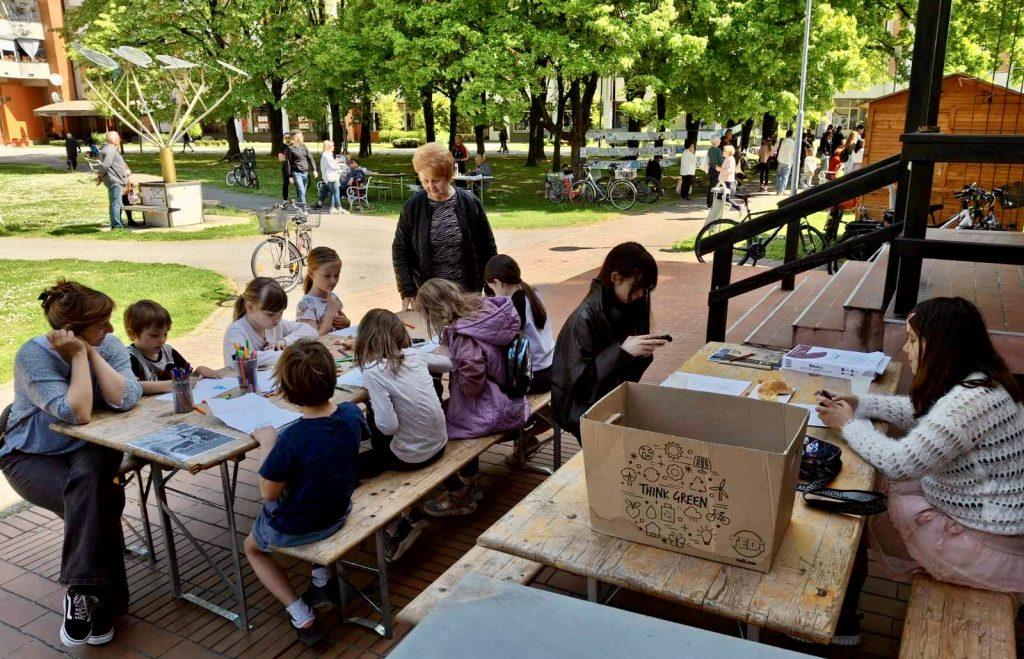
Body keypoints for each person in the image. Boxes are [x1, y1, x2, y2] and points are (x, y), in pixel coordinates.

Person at [815, 297, 1024, 646]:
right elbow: (923, 412)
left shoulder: (968, 404)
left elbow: (898, 462)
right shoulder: (981, 380)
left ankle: (838, 613)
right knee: (871, 501)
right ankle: (844, 612)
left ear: (939, 346)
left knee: (865, 508)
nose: (906, 349)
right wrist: (860, 403)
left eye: (913, 340)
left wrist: (848, 423)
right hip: (996, 528)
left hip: (985, 547)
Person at [1, 281, 142, 647]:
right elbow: (76, 412)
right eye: (101, 324)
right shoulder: (33, 356)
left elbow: (126, 397)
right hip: (31, 454)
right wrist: (78, 357)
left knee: (93, 494)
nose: (111, 329)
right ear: (72, 331)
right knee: (99, 501)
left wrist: (90, 352)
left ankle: (82, 594)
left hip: (91, 445)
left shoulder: (107, 345)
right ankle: (103, 606)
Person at [244, 340, 365, 646]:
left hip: (298, 526)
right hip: (338, 511)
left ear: (285, 390)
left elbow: (268, 493)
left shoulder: (292, 439)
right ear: (333, 376)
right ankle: (321, 579)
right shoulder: (352, 413)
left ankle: (301, 614)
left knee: (252, 549)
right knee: (316, 488)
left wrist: (267, 443)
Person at [415, 278, 528, 516]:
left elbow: (473, 376)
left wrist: (463, 387)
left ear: (434, 310)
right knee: (451, 415)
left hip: (493, 408)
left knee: (438, 433)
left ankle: (462, 493)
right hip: (510, 397)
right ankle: (470, 480)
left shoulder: (464, 333)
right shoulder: (482, 313)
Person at [353, 309, 452, 559]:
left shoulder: (373, 371)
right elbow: (449, 364)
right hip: (439, 444)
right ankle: (411, 514)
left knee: (348, 468)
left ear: (365, 340)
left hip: (410, 456)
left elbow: (388, 427)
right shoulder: (414, 355)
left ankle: (397, 525)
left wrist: (374, 404)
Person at [550, 243, 668, 439]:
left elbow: (625, 375)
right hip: (581, 408)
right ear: (615, 277)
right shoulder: (584, 318)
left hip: (608, 400)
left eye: (646, 289)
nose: (641, 294)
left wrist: (641, 353)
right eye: (638, 288)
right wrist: (622, 352)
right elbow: (579, 384)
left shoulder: (628, 306)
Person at [393, 142, 498, 309]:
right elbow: (400, 250)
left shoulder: (470, 203)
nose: (430, 187)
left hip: (467, 294)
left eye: (436, 180)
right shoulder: (413, 207)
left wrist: (492, 288)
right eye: (425, 180)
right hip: (430, 297)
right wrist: (407, 289)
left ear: (448, 176)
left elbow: (488, 247)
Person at [483, 254, 554, 394]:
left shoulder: (515, 306)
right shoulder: (533, 293)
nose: (493, 294)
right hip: (552, 368)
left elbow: (499, 339)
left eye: (492, 288)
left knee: (487, 378)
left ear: (498, 283)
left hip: (535, 377)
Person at [124, 300, 225, 395]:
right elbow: (133, 387)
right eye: (154, 335)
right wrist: (172, 385)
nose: (162, 340)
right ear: (132, 334)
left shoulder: (168, 351)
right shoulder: (129, 358)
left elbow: (186, 377)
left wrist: (198, 372)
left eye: (165, 334)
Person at [223, 277, 317, 369]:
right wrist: (289, 354)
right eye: (270, 314)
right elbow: (243, 358)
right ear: (250, 307)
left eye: (281, 313)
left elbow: (311, 331)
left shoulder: (276, 325)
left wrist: (285, 341)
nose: (277, 319)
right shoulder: (236, 332)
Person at [295, 247, 351, 336]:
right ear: (311, 273)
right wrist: (330, 311)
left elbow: (341, 325)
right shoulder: (305, 306)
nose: (333, 281)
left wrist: (346, 323)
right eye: (327, 276)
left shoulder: (333, 297)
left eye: (336, 276)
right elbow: (313, 339)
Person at [97, 131, 129, 230]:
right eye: (118, 138)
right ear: (113, 139)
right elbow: (105, 166)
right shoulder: (110, 150)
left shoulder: (108, 149)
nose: (119, 140)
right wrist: (100, 175)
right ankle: (117, 226)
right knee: (116, 203)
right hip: (115, 180)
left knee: (115, 203)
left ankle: (116, 224)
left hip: (114, 180)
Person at [284, 130, 317, 205]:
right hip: (296, 173)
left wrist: (314, 169)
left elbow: (310, 158)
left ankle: (299, 205)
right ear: (295, 137)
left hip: (305, 173)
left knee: (302, 192)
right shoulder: (290, 148)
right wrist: (290, 176)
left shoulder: (304, 147)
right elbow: (287, 163)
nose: (303, 137)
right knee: (301, 190)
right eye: (301, 136)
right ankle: (304, 208)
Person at [314, 140, 344, 214]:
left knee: (333, 192)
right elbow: (332, 166)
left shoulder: (327, 155)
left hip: (330, 176)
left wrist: (336, 162)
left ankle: (332, 208)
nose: (334, 147)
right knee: (336, 192)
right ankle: (339, 208)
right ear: (328, 147)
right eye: (332, 146)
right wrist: (340, 166)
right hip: (331, 176)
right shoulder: (326, 155)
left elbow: (331, 164)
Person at [774, 129, 796, 195]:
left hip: (780, 161)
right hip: (788, 162)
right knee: (785, 177)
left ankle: (778, 191)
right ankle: (782, 191)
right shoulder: (793, 143)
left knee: (778, 176)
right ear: (792, 135)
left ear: (786, 134)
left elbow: (774, 149)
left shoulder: (781, 141)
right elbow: (795, 153)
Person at [705, 137, 723, 207]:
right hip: (717, 169)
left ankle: (709, 202)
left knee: (711, 186)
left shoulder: (710, 149)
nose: (720, 142)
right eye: (719, 141)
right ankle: (712, 202)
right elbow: (721, 161)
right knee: (716, 186)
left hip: (711, 169)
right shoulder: (718, 150)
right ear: (716, 142)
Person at [279, 135, 292, 201]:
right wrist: (287, 158)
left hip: (294, 167)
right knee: (286, 183)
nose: (287, 138)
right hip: (285, 167)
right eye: (286, 137)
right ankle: (285, 199)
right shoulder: (282, 147)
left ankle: (300, 200)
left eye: (289, 137)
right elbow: (280, 159)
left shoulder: (293, 145)